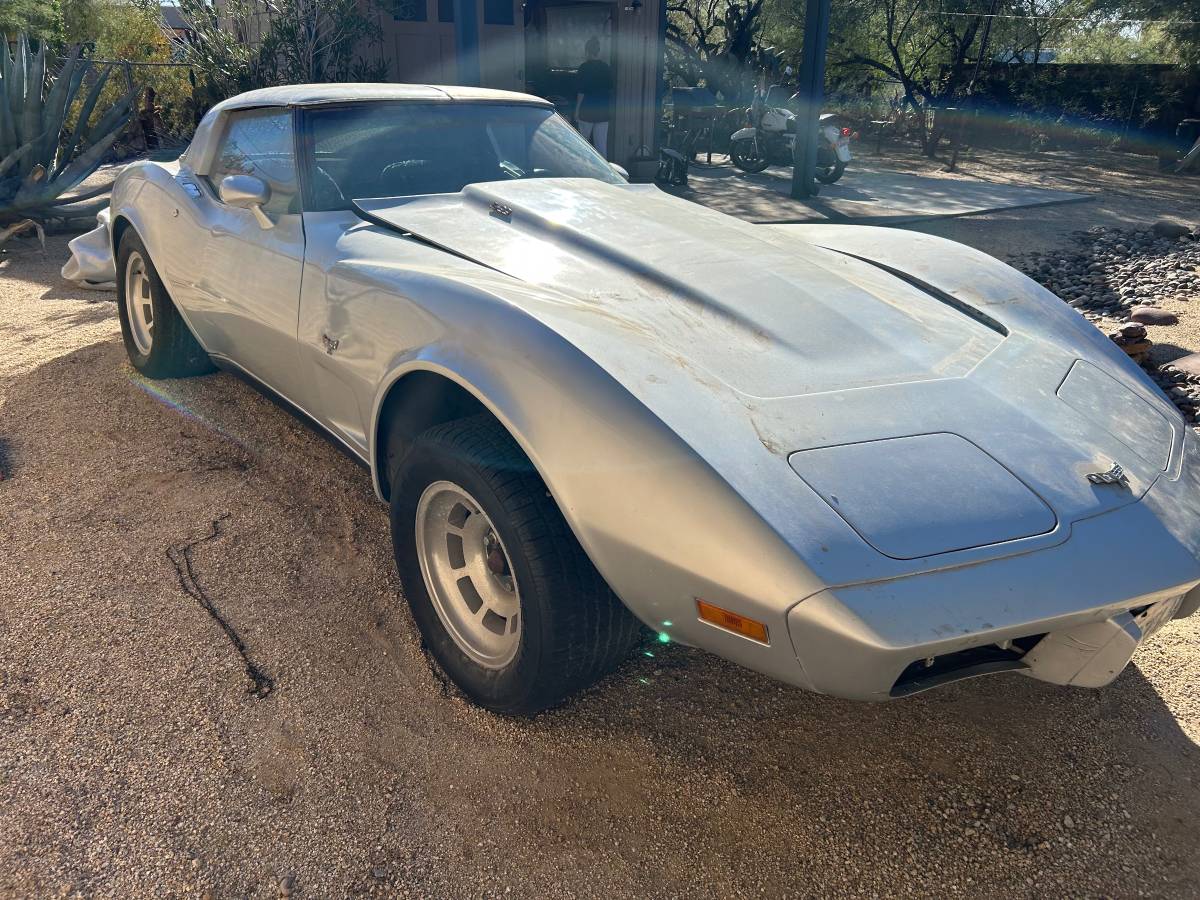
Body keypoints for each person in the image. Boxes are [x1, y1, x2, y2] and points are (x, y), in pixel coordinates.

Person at [574, 37, 612, 158]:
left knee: (583, 145)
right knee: (601, 146)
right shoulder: (606, 68)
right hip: (603, 111)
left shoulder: (584, 68)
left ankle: (582, 172)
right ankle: (603, 175)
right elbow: (610, 88)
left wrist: (577, 111)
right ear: (598, 51)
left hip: (587, 110)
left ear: (587, 51)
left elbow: (581, 92)